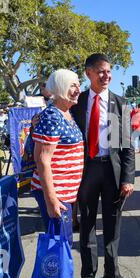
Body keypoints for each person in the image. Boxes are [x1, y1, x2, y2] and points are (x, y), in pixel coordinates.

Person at [70, 53, 135, 278]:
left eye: (108, 71)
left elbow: (126, 145)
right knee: (86, 223)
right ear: (88, 73)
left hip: (112, 172)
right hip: (86, 171)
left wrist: (128, 178)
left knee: (112, 225)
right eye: (100, 71)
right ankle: (88, 275)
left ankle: (112, 275)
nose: (106, 75)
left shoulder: (121, 103)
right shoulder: (78, 102)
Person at [30, 69, 84, 250]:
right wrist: (51, 199)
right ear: (60, 87)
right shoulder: (52, 116)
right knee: (60, 247)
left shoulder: (66, 113)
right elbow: (42, 160)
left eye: (78, 85)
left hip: (64, 193)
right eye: (73, 85)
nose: (78, 89)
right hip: (57, 194)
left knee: (63, 244)